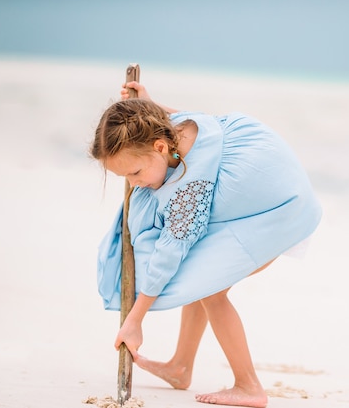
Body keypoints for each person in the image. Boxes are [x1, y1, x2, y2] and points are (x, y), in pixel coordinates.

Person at [91, 80, 322, 408]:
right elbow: (167, 120)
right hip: (276, 188)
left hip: (279, 212)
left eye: (136, 173)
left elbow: (169, 254)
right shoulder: (179, 130)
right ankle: (180, 366)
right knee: (200, 268)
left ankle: (249, 386)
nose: (134, 184)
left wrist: (135, 319)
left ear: (159, 148)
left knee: (211, 287)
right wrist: (150, 105)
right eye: (125, 178)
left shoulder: (189, 188)